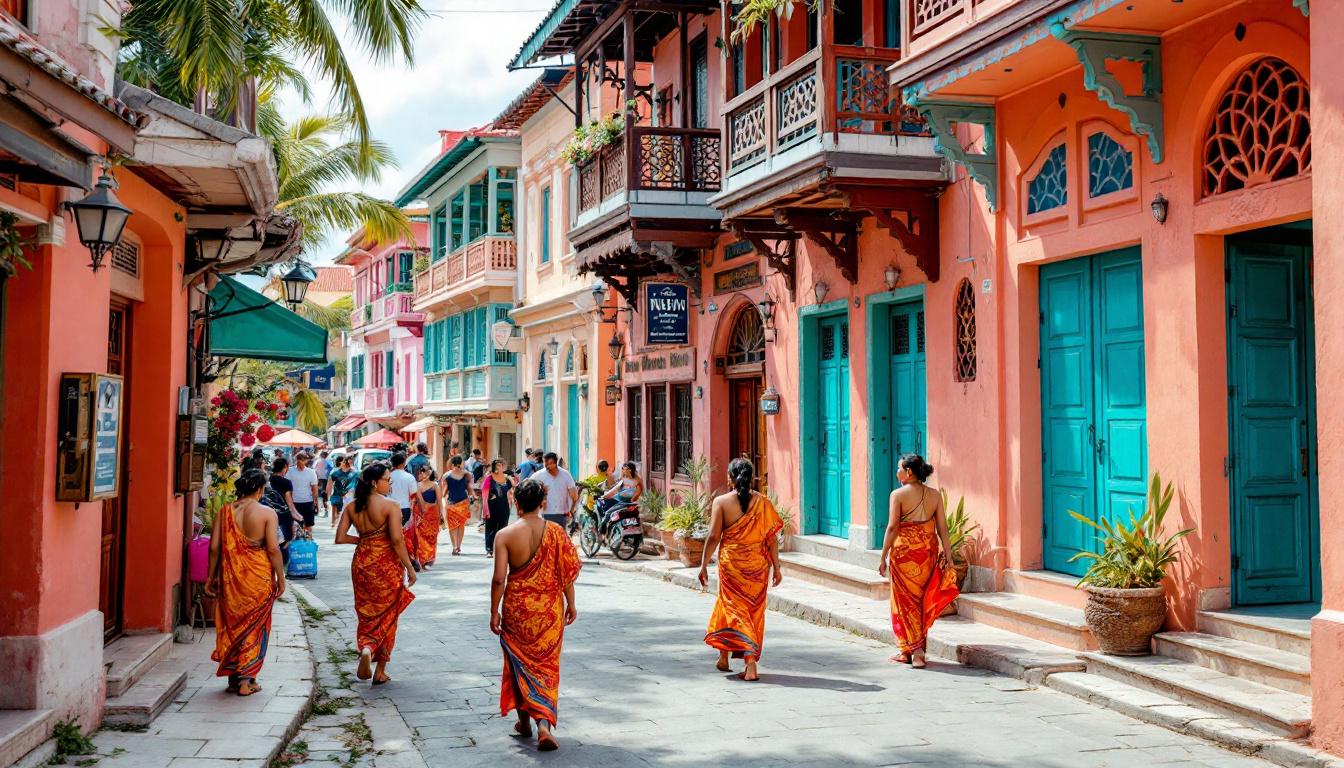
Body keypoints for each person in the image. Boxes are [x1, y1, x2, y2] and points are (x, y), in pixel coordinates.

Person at [490, 478, 581, 752]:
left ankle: (525, 722)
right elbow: (565, 574)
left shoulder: (504, 535)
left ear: (515, 503)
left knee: (518, 664)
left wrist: (494, 611)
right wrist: (571, 603)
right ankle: (544, 724)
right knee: (546, 668)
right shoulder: (557, 532)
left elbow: (498, 579)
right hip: (549, 610)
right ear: (543, 503)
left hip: (518, 610)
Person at [698, 458, 782, 682]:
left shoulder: (721, 502)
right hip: (757, 566)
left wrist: (703, 563)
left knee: (732, 607)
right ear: (751, 476)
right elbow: (772, 539)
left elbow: (714, 536)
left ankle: (750, 662)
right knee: (750, 612)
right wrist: (777, 567)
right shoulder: (763, 502)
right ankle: (724, 657)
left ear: (730, 477)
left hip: (731, 565)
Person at [335, 463, 417, 685]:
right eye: (386, 480)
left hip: (362, 563)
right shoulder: (390, 506)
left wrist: (363, 539)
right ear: (374, 482)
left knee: (367, 612)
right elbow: (397, 540)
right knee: (389, 615)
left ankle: (366, 646)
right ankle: (379, 668)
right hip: (386, 565)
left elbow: (340, 537)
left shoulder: (352, 506)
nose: (389, 484)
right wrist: (409, 567)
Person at [206, 468, 284, 697]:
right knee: (255, 625)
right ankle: (246, 680)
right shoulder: (267, 513)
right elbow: (272, 548)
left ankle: (233, 677)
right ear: (260, 489)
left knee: (235, 624)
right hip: (258, 577)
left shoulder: (224, 511)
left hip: (231, 579)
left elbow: (214, 548)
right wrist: (281, 577)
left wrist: (210, 577)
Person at [878, 454, 959, 669]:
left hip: (904, 555)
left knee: (907, 603)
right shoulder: (934, 495)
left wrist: (883, 555)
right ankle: (908, 650)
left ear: (909, 472)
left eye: (899, 468)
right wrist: (949, 556)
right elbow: (942, 528)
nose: (897, 473)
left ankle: (917, 652)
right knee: (921, 601)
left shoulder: (898, 495)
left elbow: (893, 527)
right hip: (927, 554)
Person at [267, 457, 299, 565]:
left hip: (269, 513)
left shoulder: (269, 479)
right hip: (283, 515)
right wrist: (296, 515)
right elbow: (289, 501)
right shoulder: (286, 482)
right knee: (285, 541)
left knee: (272, 540)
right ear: (285, 467)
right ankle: (282, 569)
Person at [533, 452, 577, 529]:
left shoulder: (565, 475)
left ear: (555, 463)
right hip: (545, 514)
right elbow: (528, 487)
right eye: (545, 463)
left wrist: (571, 510)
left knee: (560, 540)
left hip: (562, 515)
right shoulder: (538, 475)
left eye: (549, 463)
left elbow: (574, 494)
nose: (546, 466)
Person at [410, 463, 442, 570]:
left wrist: (441, 515)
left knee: (432, 537)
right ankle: (423, 559)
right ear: (420, 473)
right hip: (420, 515)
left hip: (433, 516)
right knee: (420, 537)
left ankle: (429, 559)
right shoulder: (417, 485)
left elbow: (439, 502)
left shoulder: (435, 485)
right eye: (423, 471)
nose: (425, 473)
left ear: (431, 472)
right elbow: (414, 501)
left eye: (428, 471)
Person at [440, 456, 474, 556]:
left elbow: (444, 491)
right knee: (461, 526)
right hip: (463, 502)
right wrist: (472, 496)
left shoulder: (446, 475)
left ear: (452, 464)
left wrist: (440, 499)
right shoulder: (467, 474)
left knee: (452, 526)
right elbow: (469, 488)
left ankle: (454, 546)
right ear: (461, 463)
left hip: (451, 503)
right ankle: (458, 546)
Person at [481, 459, 514, 556]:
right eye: (499, 465)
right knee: (491, 528)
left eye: (502, 465)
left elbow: (513, 489)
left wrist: (512, 480)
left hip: (504, 506)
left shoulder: (507, 479)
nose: (501, 467)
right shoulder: (489, 478)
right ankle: (489, 549)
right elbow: (484, 492)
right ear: (494, 467)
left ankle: (500, 549)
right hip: (492, 506)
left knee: (503, 528)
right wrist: (486, 506)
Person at [289, 451, 320, 534]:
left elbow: (315, 488)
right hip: (294, 502)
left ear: (307, 461)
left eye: (304, 460)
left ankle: (308, 542)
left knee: (308, 525)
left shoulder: (311, 472)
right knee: (295, 525)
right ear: (297, 460)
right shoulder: (290, 471)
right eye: (300, 459)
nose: (302, 462)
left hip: (308, 502)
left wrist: (315, 502)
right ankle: (297, 543)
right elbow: (287, 488)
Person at [387, 453, 417, 528]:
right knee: (404, 533)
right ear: (403, 463)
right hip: (405, 507)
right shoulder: (409, 477)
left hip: (390, 508)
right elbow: (414, 495)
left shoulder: (387, 476)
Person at [327, 456, 356, 528]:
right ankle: (334, 523)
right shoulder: (335, 472)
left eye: (350, 462)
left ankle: (337, 523)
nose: (349, 464)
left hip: (347, 495)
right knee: (335, 509)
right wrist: (329, 494)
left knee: (341, 510)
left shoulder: (353, 471)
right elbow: (329, 483)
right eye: (347, 462)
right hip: (336, 494)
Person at [314, 450, 332, 516]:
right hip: (324, 479)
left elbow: (314, 469)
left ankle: (319, 510)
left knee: (319, 494)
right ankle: (325, 509)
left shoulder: (317, 461)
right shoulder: (327, 461)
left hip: (318, 479)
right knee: (324, 494)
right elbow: (330, 469)